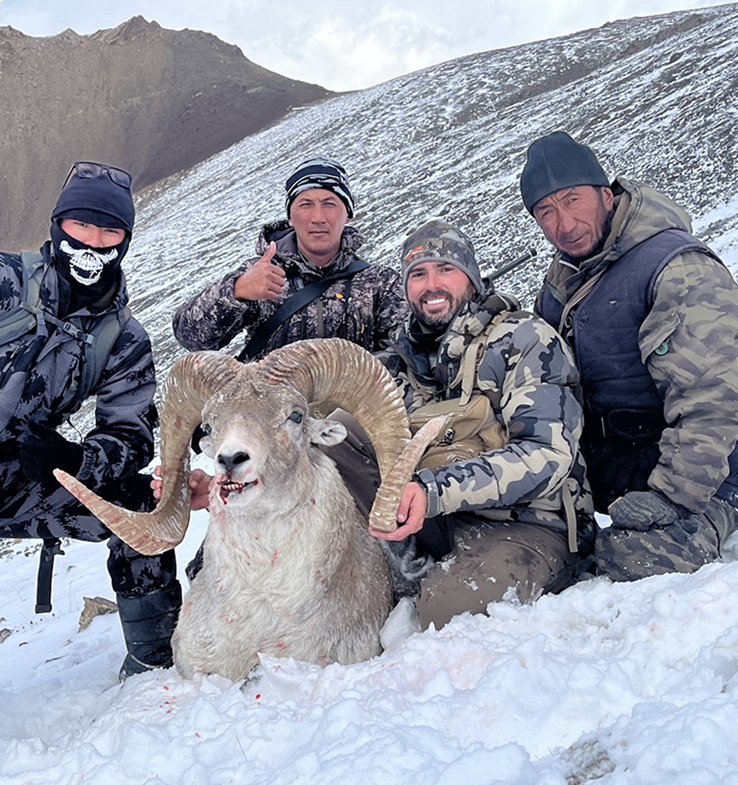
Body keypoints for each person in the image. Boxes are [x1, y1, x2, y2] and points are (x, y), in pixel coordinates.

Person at [332, 220, 594, 630]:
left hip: (528, 524)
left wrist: (435, 491)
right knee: (338, 430)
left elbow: (546, 454)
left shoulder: (524, 340)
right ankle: (404, 561)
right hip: (438, 519)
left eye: (445, 270)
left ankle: (441, 581)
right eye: (417, 274)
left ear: (471, 280)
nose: (431, 284)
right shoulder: (399, 363)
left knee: (444, 613)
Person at [520, 130, 738, 581]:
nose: (564, 224)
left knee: (635, 559)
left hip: (709, 471)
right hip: (622, 460)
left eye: (573, 200)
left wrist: (671, 497)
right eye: (546, 211)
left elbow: (714, 397)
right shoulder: (562, 283)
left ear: (605, 194)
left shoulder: (675, 266)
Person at [0, 161, 180, 679]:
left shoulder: (124, 338)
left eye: (109, 231)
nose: (93, 243)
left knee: (141, 505)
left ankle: (154, 662)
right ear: (58, 225)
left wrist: (77, 459)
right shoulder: (7, 280)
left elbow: (130, 432)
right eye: (81, 226)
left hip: (24, 478)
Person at [172, 156, 407, 359]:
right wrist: (235, 292)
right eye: (305, 204)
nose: (318, 217)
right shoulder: (261, 274)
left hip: (353, 409)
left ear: (348, 215)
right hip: (273, 409)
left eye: (329, 204)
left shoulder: (380, 284)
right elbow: (191, 339)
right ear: (291, 217)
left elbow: (407, 351)